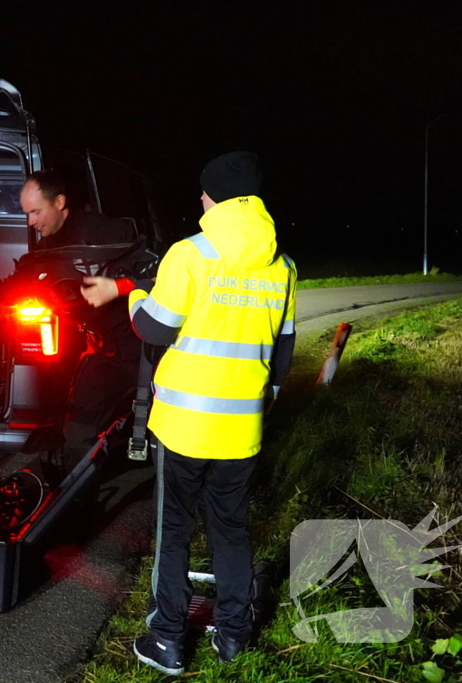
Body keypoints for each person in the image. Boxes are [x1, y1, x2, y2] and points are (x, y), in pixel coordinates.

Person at [128, 152, 296, 675]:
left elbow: (153, 328)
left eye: (202, 193)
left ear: (214, 197)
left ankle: (168, 640)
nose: (199, 200)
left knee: (173, 531)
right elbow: (283, 353)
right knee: (231, 528)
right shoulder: (283, 266)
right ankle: (232, 637)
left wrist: (134, 294)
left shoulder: (189, 253)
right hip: (241, 426)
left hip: (183, 424)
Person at [0, 170, 147, 484]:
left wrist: (119, 286)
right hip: (104, 350)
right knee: (79, 429)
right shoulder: (43, 251)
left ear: (60, 202)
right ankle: (78, 494)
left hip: (146, 348)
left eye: (36, 212)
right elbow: (11, 289)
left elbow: (164, 271)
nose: (31, 222)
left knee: (167, 429)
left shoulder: (106, 231)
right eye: (27, 213)